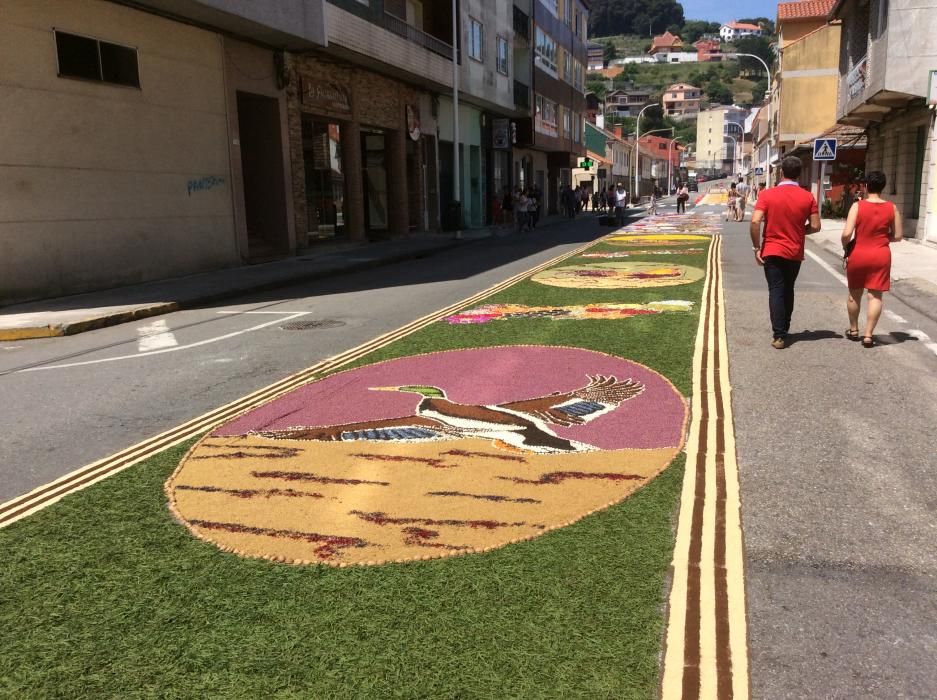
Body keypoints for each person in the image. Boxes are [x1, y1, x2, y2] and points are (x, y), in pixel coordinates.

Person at [749, 156, 821, 349]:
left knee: (776, 290)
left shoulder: (767, 194)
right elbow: (815, 226)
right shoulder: (808, 197)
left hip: (771, 249)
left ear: (781, 173)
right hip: (794, 250)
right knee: (788, 288)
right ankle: (785, 328)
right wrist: (800, 231)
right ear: (798, 174)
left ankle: (779, 335)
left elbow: (755, 221)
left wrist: (756, 247)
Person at [841, 171, 903, 347]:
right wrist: (884, 238)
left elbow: (847, 233)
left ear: (866, 186)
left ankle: (854, 330)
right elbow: (898, 235)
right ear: (883, 187)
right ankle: (868, 335)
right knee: (875, 295)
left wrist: (846, 245)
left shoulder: (857, 206)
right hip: (881, 255)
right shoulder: (892, 208)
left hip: (859, 253)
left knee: (855, 293)